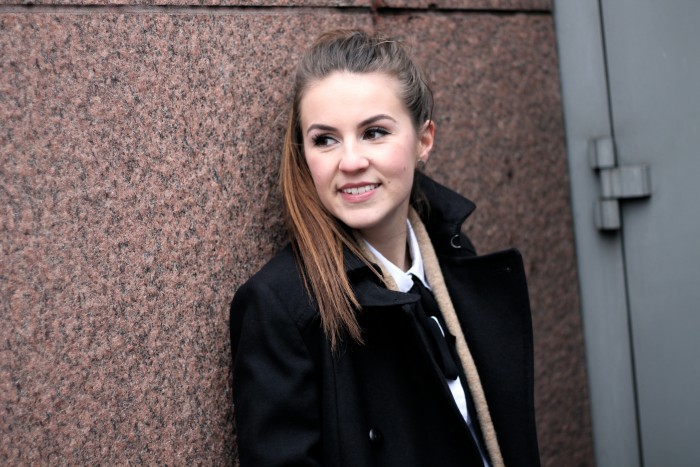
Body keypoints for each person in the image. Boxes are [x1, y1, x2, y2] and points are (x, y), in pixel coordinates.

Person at [230, 29, 540, 467]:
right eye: (325, 139)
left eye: (374, 132)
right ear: (304, 155)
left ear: (424, 140)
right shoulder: (280, 306)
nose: (351, 161)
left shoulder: (454, 260)